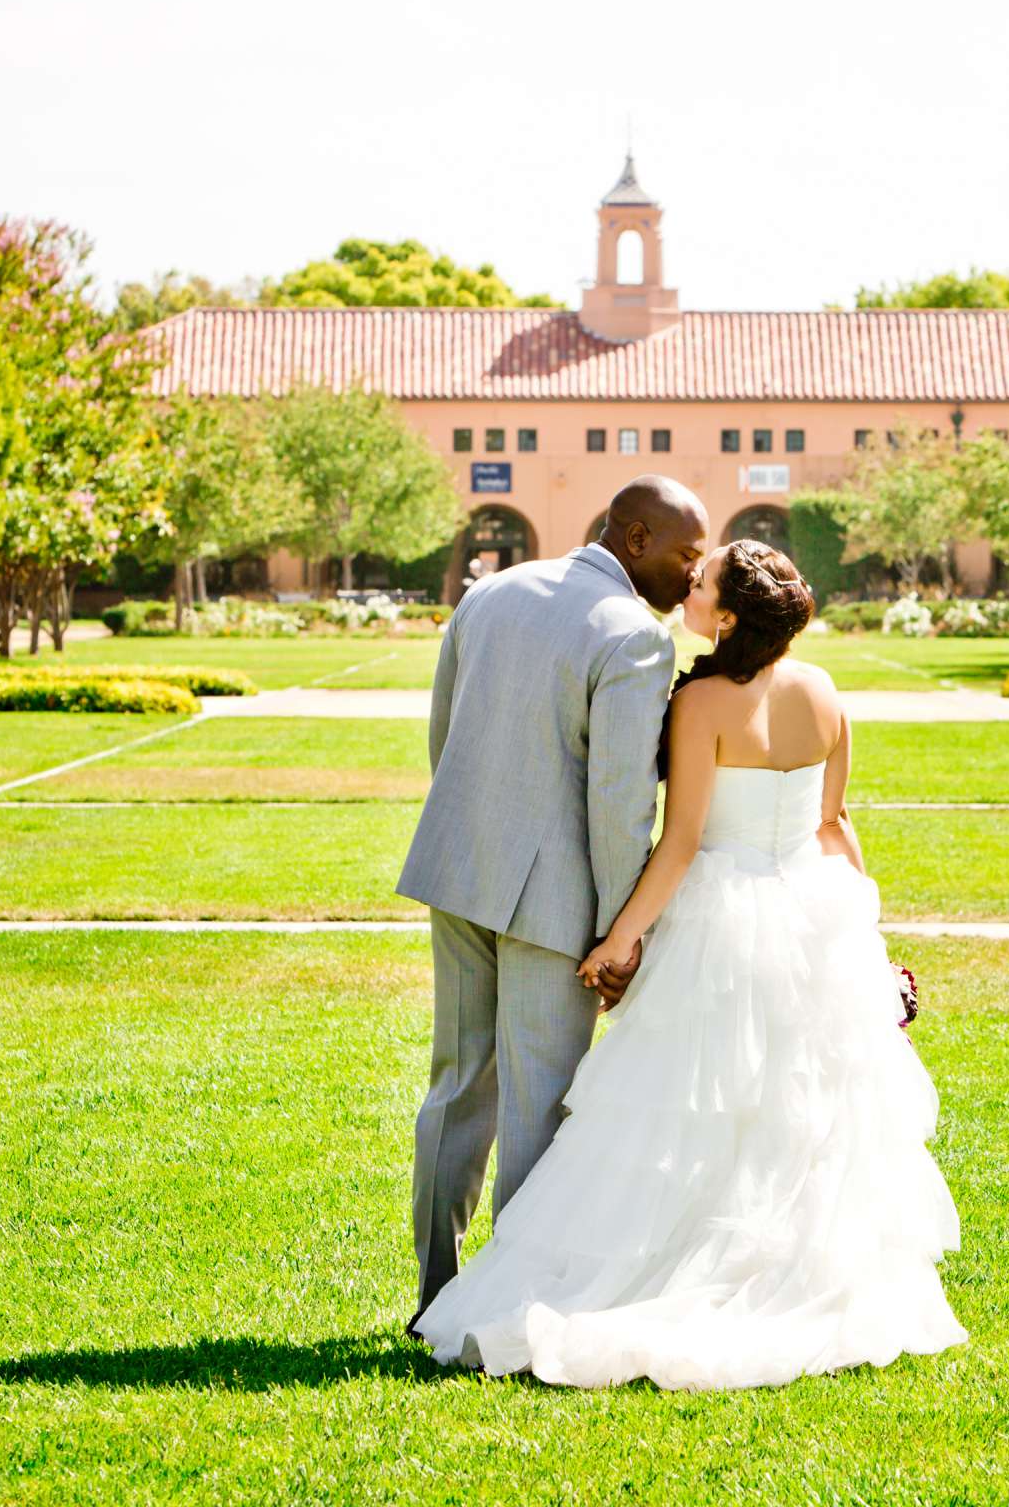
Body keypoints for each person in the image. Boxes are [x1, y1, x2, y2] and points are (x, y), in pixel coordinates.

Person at [412, 539, 965, 1390]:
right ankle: (777, 1274)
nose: (686, 590)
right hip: (809, 914)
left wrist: (618, 940)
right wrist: (864, 941)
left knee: (686, 1109)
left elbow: (677, 845)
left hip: (721, 918)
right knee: (786, 1115)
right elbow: (834, 823)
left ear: (730, 616)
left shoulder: (701, 701)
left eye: (702, 584)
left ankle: (652, 1274)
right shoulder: (822, 692)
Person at [398, 475, 710, 1322]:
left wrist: (471, 835)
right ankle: (510, 1309)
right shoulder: (635, 638)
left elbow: (444, 734)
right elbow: (619, 805)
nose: (695, 574)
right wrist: (621, 936)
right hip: (554, 901)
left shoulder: (491, 592)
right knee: (539, 1100)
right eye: (686, 554)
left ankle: (435, 1293)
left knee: (458, 1085)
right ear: (634, 540)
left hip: (456, 869)